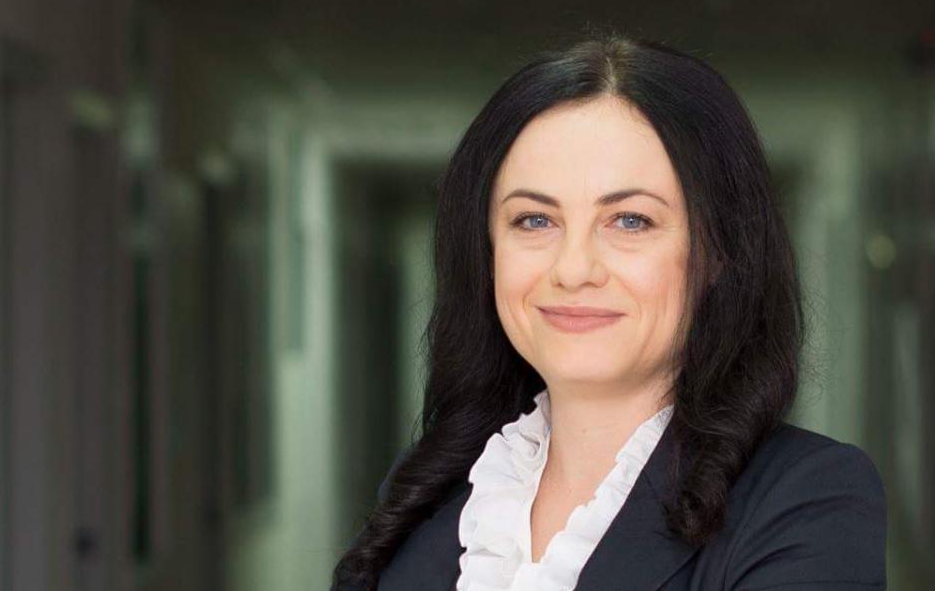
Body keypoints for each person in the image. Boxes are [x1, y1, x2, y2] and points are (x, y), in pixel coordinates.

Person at [331, 31, 887, 591]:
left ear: (719, 251)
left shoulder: (806, 499)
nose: (573, 269)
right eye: (534, 220)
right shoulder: (428, 491)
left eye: (630, 221)